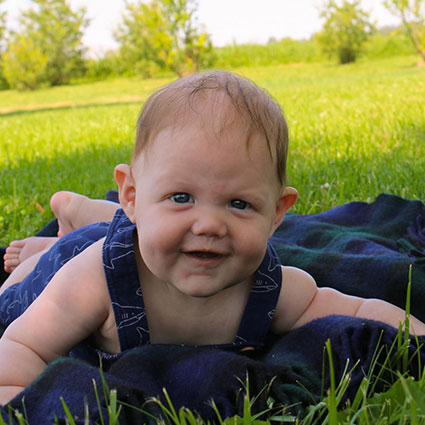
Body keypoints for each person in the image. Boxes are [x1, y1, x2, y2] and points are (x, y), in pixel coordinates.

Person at [1, 70, 425, 406]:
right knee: (21, 287)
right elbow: (21, 343)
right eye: (181, 196)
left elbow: (357, 310)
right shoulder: (92, 281)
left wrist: (416, 340)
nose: (209, 225)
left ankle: (102, 214)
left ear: (277, 212)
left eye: (239, 204)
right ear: (130, 192)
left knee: (154, 226)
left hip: (147, 230)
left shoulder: (269, 287)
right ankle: (56, 236)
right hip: (65, 264)